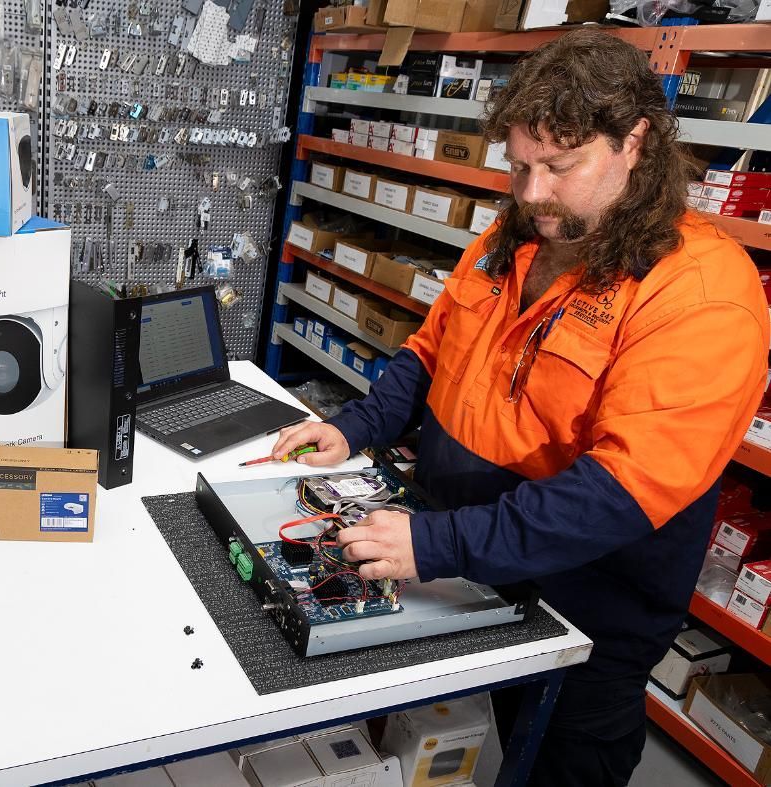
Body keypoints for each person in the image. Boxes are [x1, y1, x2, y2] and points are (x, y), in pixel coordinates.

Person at [272, 29, 769, 785]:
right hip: (461, 552)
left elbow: (615, 494)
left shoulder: (699, 291)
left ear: (634, 143)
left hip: (584, 602)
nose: (532, 192)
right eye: (520, 166)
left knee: (556, 764)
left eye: (559, 167)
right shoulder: (512, 240)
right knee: (426, 743)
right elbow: (432, 352)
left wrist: (436, 545)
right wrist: (353, 428)